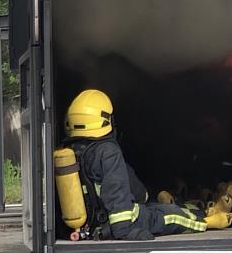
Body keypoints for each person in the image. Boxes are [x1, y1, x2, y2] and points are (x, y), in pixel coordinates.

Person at [62, 89, 210, 241]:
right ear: (107, 119)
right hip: (121, 221)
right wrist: (125, 231)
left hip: (94, 223)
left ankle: (198, 208)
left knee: (162, 206)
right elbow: (116, 193)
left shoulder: (70, 151)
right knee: (174, 215)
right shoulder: (107, 151)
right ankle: (208, 219)